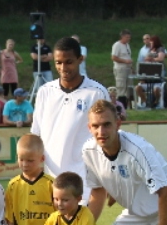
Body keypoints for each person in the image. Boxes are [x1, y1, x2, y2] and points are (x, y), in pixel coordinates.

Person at [31, 36, 109, 201]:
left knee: (80, 219)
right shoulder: (45, 91)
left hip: (84, 179)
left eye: (69, 62)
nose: (63, 67)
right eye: (58, 62)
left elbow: (107, 136)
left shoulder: (96, 93)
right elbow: (36, 134)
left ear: (80, 59)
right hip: (51, 178)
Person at [134, 35, 167, 109]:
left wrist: (152, 59)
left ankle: (157, 101)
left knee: (156, 89)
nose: (150, 43)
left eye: (151, 42)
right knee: (137, 88)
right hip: (148, 76)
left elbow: (161, 58)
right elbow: (145, 59)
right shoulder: (149, 50)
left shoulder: (160, 49)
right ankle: (145, 102)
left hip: (157, 76)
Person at [111, 29, 133, 105]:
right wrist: (125, 61)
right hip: (120, 69)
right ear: (122, 37)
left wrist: (131, 67)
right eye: (127, 37)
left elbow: (128, 56)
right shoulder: (117, 45)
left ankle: (128, 103)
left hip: (128, 69)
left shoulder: (127, 45)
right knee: (121, 87)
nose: (128, 39)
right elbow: (114, 57)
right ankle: (121, 103)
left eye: (129, 37)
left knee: (129, 87)